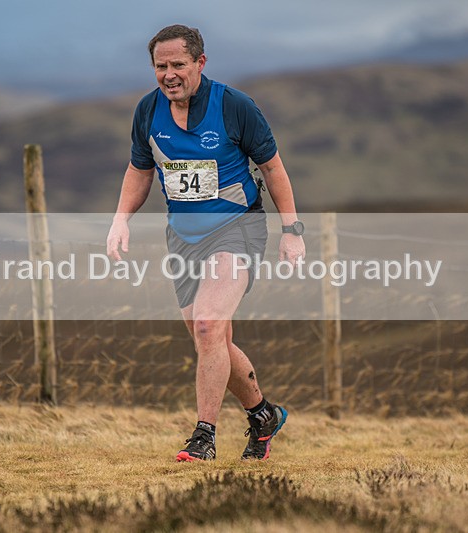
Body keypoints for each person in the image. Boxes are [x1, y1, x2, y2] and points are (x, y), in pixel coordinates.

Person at [106, 24, 305, 462]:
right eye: (161, 66)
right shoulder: (147, 111)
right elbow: (140, 171)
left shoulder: (234, 106)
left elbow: (273, 169)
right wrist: (120, 221)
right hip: (183, 237)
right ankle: (263, 414)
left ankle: (204, 436)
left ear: (200, 62)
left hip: (238, 228)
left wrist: (292, 232)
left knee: (208, 326)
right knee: (210, 339)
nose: (169, 74)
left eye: (179, 64)